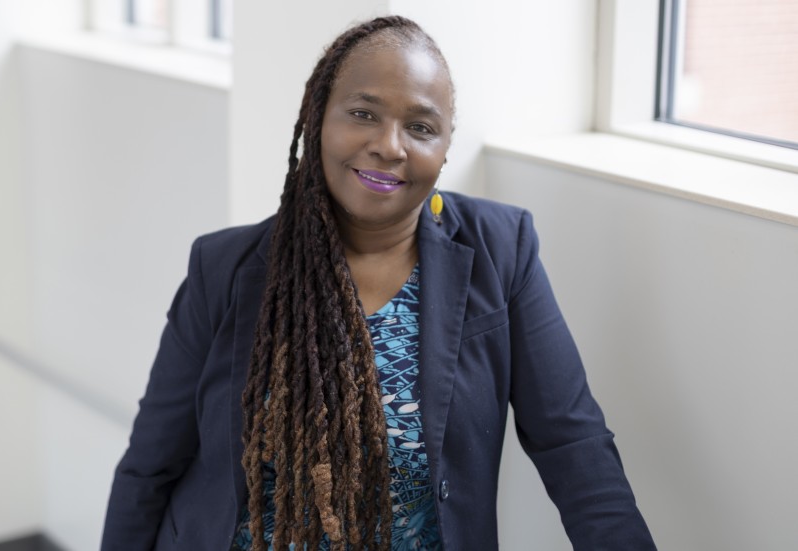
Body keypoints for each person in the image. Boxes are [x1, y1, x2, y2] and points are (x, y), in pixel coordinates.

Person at [101, 15, 656, 551]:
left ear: (445, 148)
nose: (390, 145)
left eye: (421, 127)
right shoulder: (223, 267)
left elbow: (573, 444)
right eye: (363, 114)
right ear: (318, 119)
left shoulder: (501, 250)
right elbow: (151, 463)